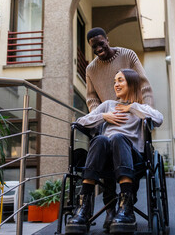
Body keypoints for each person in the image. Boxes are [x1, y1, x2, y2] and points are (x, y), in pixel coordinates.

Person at [66, 69, 163, 234]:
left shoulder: (141, 108)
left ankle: (126, 206)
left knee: (118, 137)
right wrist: (103, 117)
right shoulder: (108, 106)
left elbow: (158, 119)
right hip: (105, 159)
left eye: (120, 80)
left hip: (132, 158)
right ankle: (83, 207)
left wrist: (132, 108)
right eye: (115, 81)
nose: (116, 85)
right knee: (100, 139)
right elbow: (79, 122)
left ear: (131, 83)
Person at [84, 27, 155, 230]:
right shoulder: (91, 69)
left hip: (131, 114)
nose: (98, 48)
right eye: (94, 46)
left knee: (124, 148)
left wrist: (144, 112)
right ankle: (110, 210)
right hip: (108, 119)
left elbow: (144, 86)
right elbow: (91, 98)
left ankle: (127, 204)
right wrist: (102, 116)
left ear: (107, 39)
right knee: (105, 146)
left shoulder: (128, 55)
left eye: (101, 43)